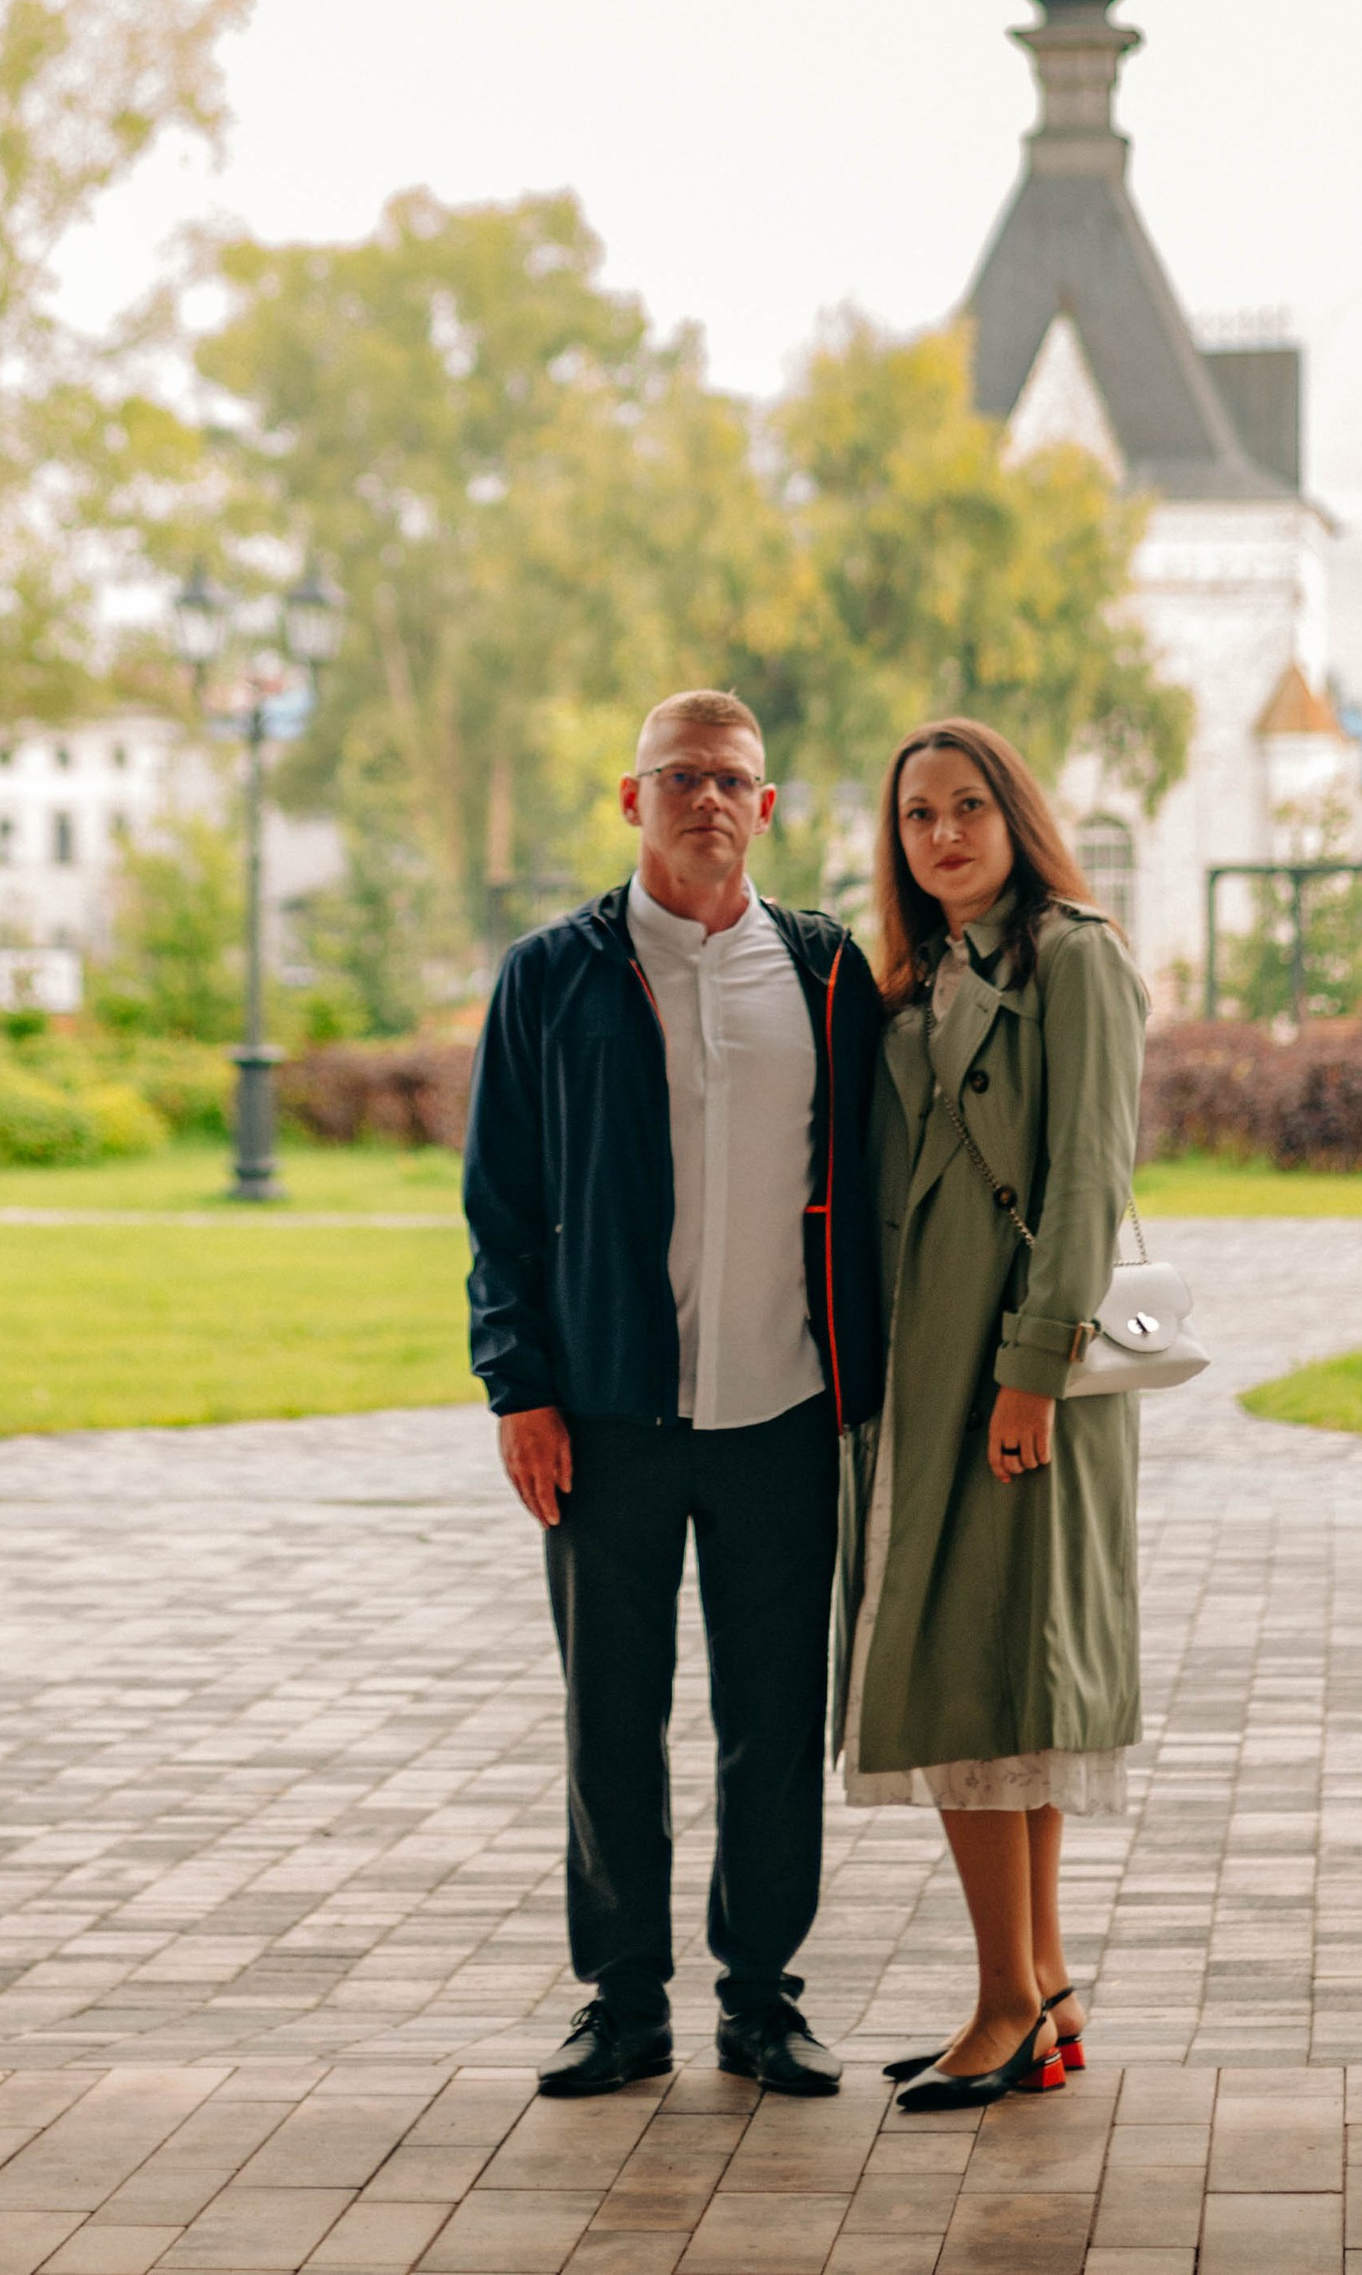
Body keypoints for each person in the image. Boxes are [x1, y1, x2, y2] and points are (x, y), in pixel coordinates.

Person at [462, 687, 884, 2101]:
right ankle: (621, 2002)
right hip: (603, 1417)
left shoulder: (826, 976)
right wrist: (518, 1389)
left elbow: (879, 1195)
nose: (708, 799)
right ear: (628, 798)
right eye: (680, 776)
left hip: (783, 1411)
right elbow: (500, 1206)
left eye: (734, 781)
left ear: (768, 810)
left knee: (772, 1718)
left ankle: (763, 2000)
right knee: (611, 1718)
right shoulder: (549, 977)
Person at [838, 716, 1149, 2113]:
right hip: (928, 1367)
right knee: (998, 1684)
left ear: (1016, 816)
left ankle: (1003, 2003)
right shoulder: (921, 979)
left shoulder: (1076, 959)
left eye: (969, 807)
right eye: (918, 817)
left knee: (978, 1682)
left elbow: (1087, 1180)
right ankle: (1045, 1983)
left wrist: (1031, 1368)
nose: (944, 834)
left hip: (1020, 1377)